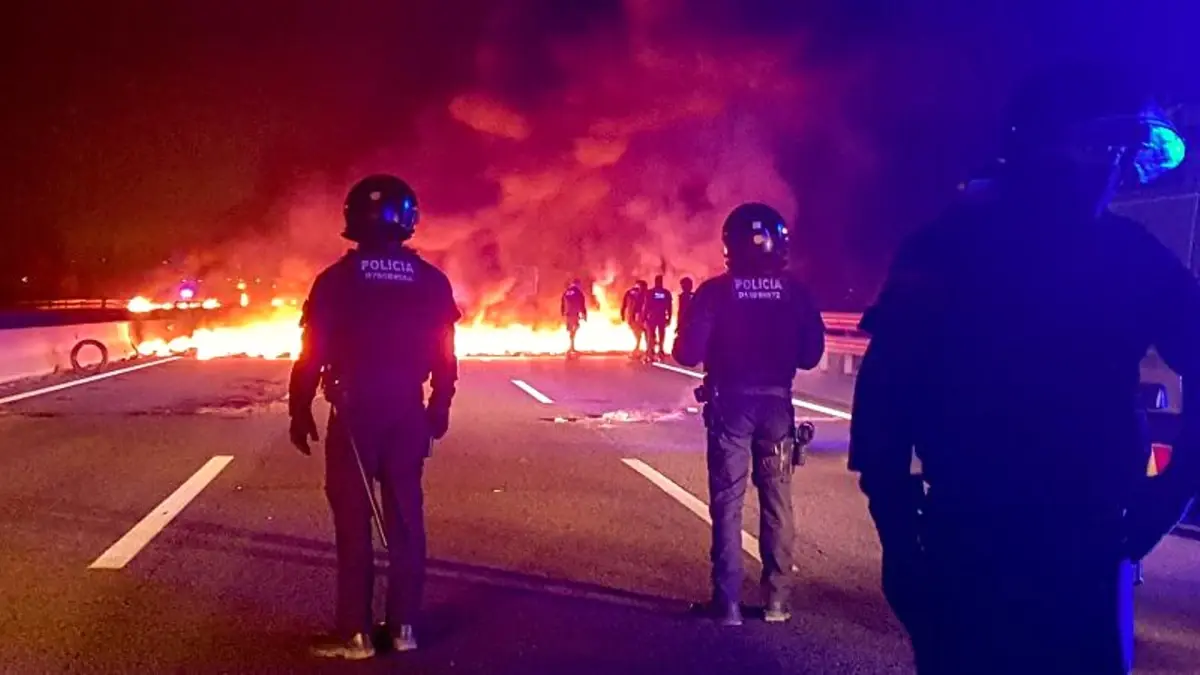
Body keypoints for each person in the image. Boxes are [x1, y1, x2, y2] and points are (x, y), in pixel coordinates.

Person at [849, 62, 1198, 675]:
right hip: (982, 537)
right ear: (1038, 148)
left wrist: (1171, 494)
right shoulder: (955, 247)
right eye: (1093, 146)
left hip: (1072, 541)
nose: (1107, 167)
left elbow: (884, 397)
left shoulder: (1122, 254)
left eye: (1115, 150)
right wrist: (897, 531)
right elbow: (885, 396)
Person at [289, 174, 461, 660]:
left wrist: (299, 407)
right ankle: (405, 627)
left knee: (354, 519)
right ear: (409, 220)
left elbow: (312, 353)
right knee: (406, 518)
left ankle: (356, 634)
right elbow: (446, 355)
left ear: (353, 218)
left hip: (355, 409)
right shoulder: (430, 280)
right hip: (407, 409)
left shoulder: (336, 280)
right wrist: (439, 406)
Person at [673, 202, 826, 626]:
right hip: (777, 408)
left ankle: (728, 604)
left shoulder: (715, 292)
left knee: (727, 503)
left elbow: (686, 353)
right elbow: (812, 356)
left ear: (730, 245)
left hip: (731, 408)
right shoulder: (796, 292)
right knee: (778, 502)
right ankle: (777, 601)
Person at [643, 274, 674, 361]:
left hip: (655, 316)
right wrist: (669, 317)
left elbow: (646, 306)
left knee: (654, 334)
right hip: (659, 316)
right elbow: (669, 306)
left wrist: (644, 317)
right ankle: (657, 350)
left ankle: (654, 350)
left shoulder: (651, 292)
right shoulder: (665, 293)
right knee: (658, 334)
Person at [621, 279, 649, 358]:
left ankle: (646, 349)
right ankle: (640, 348)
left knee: (645, 332)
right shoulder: (631, 293)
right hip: (635, 316)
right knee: (638, 332)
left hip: (641, 316)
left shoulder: (646, 293)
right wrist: (622, 313)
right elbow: (625, 303)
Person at [560, 279, 588, 355]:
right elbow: (582, 303)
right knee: (575, 327)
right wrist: (584, 314)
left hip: (567, 313)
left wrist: (562, 312)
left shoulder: (566, 291)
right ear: (578, 284)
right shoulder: (578, 292)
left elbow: (562, 302)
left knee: (571, 328)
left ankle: (571, 346)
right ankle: (572, 347)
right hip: (574, 313)